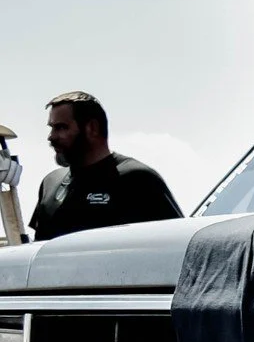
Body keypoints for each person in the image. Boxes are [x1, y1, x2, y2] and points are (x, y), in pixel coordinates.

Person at [31, 91, 183, 241]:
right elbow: (38, 246)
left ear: (92, 128)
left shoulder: (138, 179)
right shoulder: (51, 182)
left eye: (61, 127)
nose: (51, 137)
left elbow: (177, 243)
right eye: (51, 128)